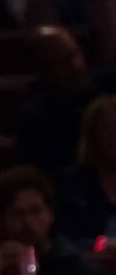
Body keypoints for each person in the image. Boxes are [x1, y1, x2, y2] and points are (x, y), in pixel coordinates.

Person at [18, 25, 116, 174]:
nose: (75, 66)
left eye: (75, 54)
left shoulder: (109, 83)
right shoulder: (36, 117)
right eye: (62, 62)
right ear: (42, 71)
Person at [55, 93, 116, 244]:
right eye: (105, 126)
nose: (113, 134)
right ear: (92, 135)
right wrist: (101, 246)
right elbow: (66, 238)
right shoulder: (71, 183)